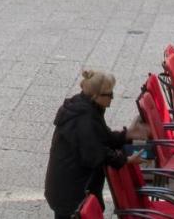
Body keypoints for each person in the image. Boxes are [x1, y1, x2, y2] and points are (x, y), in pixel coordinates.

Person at [44, 70, 147, 218]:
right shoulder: (84, 119)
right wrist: (126, 160)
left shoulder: (88, 107)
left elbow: (103, 136)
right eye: (109, 94)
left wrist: (126, 135)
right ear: (96, 96)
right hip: (70, 191)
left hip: (66, 185)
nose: (112, 98)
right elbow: (95, 154)